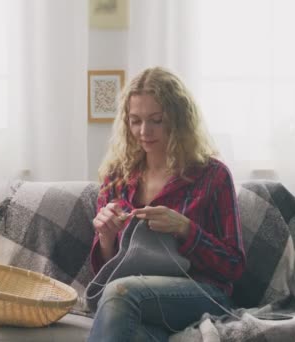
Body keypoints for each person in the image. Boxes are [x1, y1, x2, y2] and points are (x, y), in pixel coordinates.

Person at [88, 66, 246, 342]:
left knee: (119, 294)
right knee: (131, 330)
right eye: (135, 121)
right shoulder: (116, 178)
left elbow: (233, 265)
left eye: (156, 120)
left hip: (202, 292)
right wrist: (106, 238)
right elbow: (107, 269)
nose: (144, 131)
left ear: (178, 120)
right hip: (134, 298)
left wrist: (186, 229)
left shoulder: (212, 175)